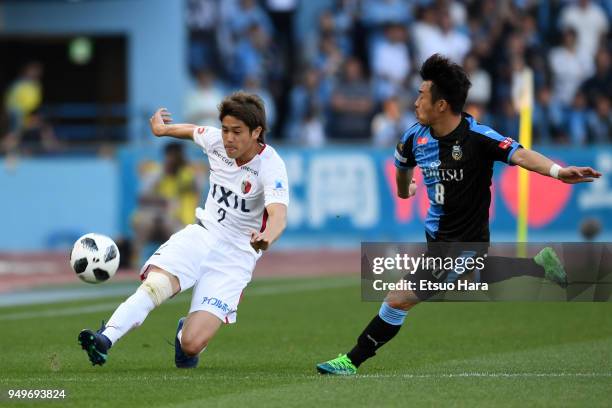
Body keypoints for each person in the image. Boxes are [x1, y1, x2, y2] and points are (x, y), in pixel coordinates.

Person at [316, 54, 601, 375]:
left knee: (398, 298)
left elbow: (520, 155)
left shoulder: (478, 137)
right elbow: (401, 169)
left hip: (467, 241)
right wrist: (403, 190)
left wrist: (559, 172)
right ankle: (538, 266)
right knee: (470, 280)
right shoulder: (414, 136)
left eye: (422, 95)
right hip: (437, 238)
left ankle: (351, 360)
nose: (415, 102)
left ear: (441, 105)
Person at [78, 92, 290, 368]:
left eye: (237, 132)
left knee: (191, 344)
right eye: (225, 129)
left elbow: (278, 215)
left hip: (236, 256)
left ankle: (183, 335)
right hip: (203, 234)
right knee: (156, 285)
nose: (228, 138)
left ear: (256, 132)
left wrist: (266, 237)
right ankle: (105, 338)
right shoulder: (217, 141)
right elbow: (193, 131)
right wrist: (163, 130)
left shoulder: (271, 165)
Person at [131, 142, 200, 266]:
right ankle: (135, 261)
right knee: (144, 222)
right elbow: (141, 198)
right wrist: (163, 199)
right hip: (156, 217)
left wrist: (185, 169)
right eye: (172, 156)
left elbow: (197, 186)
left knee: (174, 227)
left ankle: (178, 263)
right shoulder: (157, 172)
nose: (174, 160)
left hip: (180, 221)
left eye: (178, 156)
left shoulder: (188, 173)